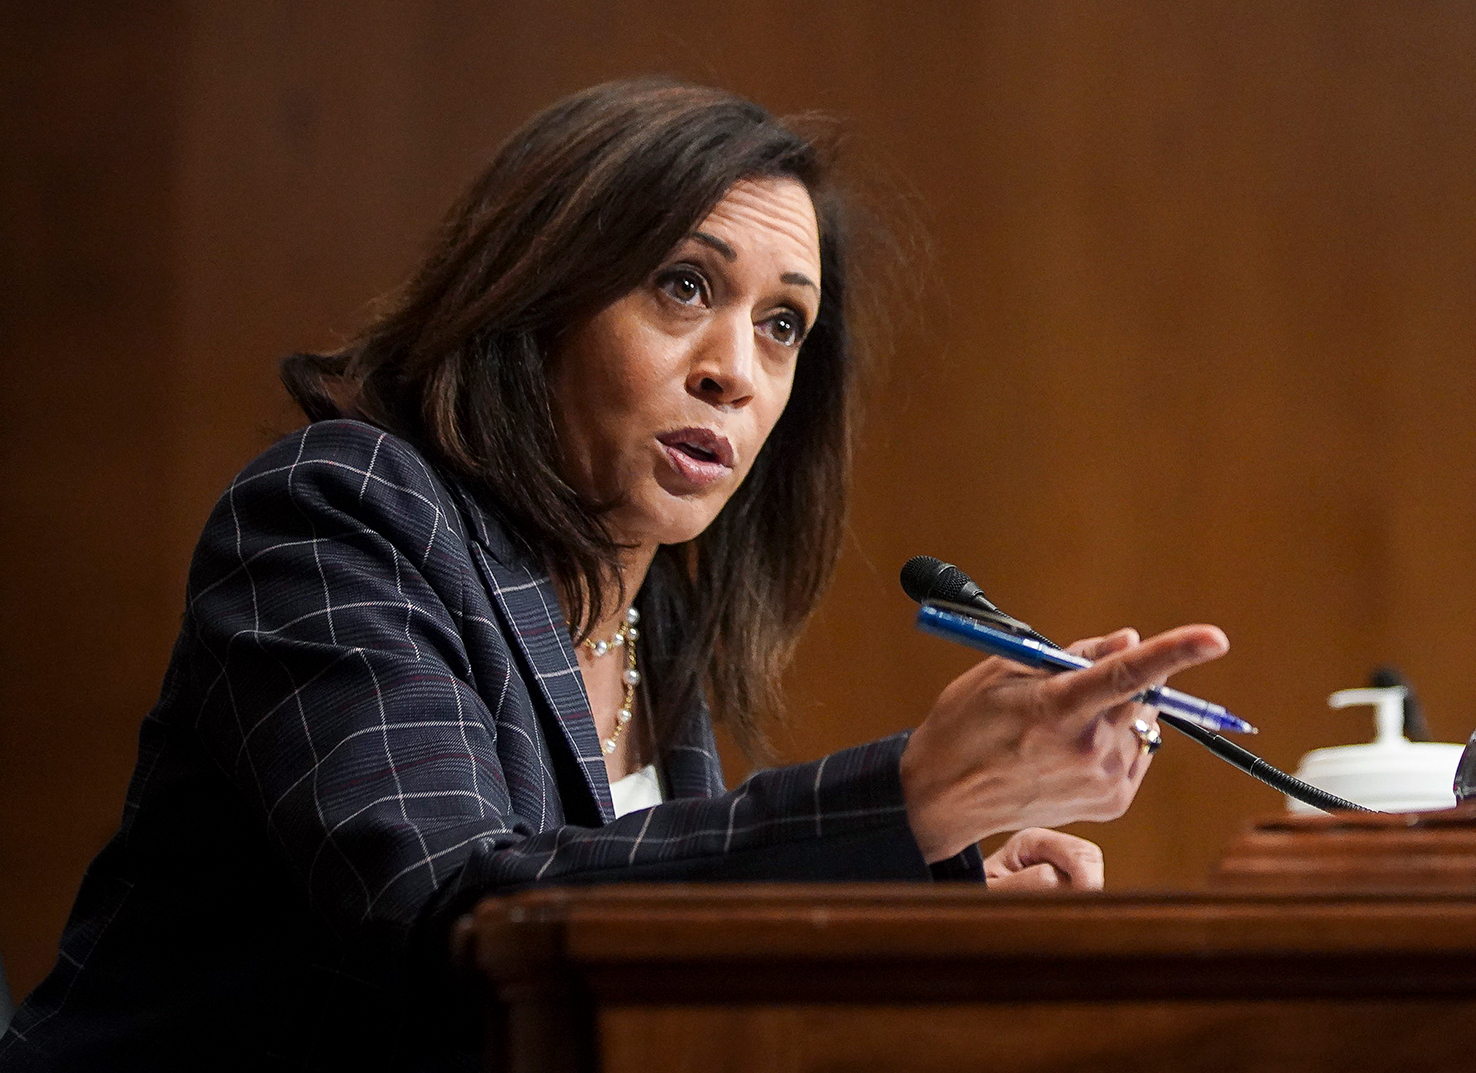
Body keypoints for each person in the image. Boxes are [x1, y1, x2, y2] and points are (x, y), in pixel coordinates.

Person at [0, 79, 1227, 1071]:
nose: (735, 369)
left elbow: (653, 938)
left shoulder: (643, 609)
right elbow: (461, 922)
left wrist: (939, 881)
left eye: (781, 323)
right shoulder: (336, 515)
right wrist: (909, 798)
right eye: (684, 286)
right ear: (534, 299)